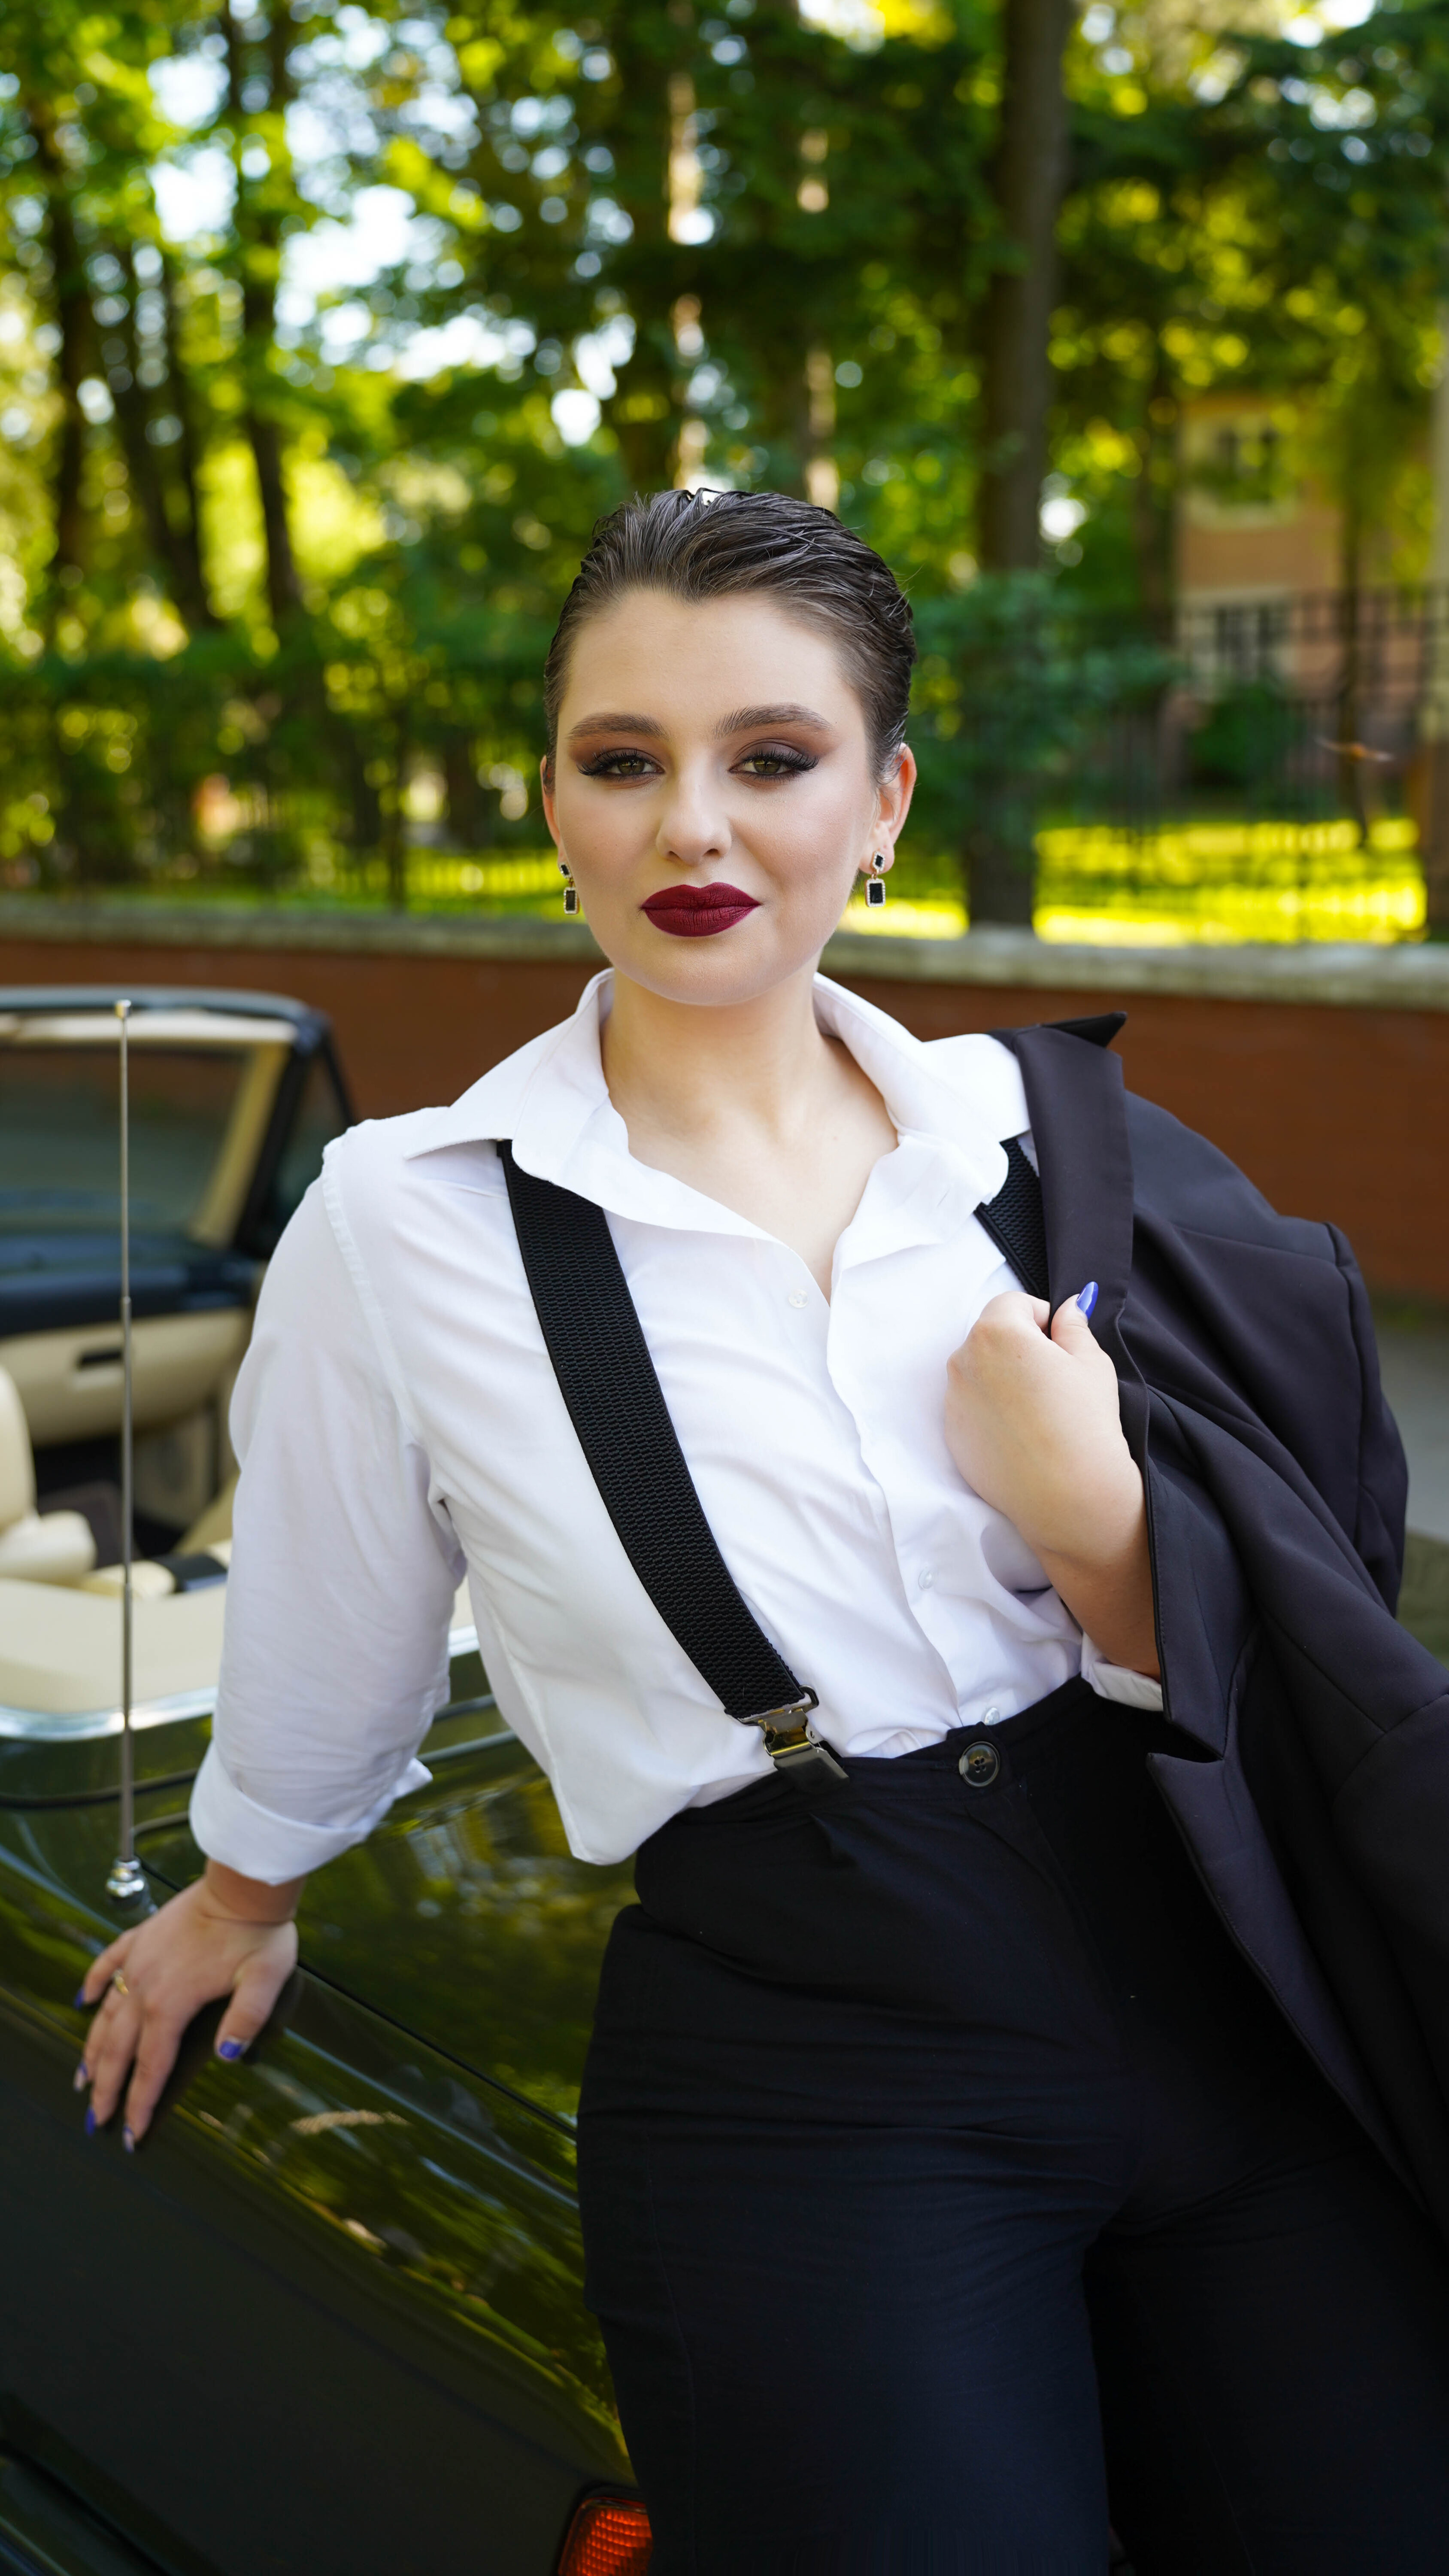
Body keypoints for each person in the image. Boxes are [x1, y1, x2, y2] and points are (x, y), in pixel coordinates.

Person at [77, 491, 1449, 2573]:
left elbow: (1309, 1597)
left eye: (772, 757)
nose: (692, 827)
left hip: (1212, 1956)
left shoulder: (1053, 1146)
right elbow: (333, 1616)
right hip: (813, 2050)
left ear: (881, 801)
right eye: (623, 760)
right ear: (555, 804)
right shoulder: (404, 1220)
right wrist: (242, 1889)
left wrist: (1095, 1517)